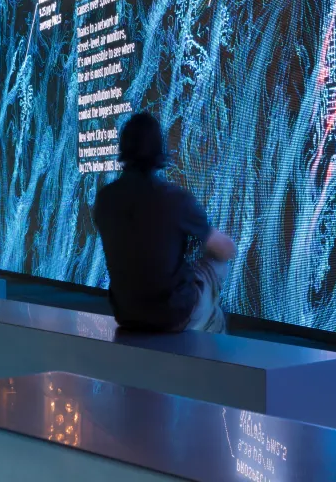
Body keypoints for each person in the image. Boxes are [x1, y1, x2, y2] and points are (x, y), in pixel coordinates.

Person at [92, 112, 237, 333]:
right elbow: (226, 250)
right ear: (159, 149)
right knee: (217, 263)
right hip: (172, 316)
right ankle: (214, 335)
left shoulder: (104, 199)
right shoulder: (175, 199)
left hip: (125, 314)